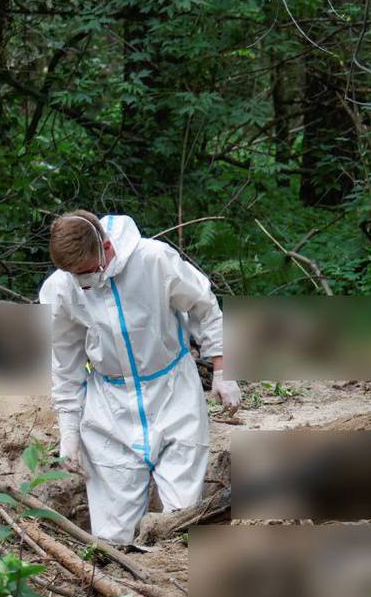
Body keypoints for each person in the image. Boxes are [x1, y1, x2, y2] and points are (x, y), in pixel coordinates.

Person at [40, 210, 239, 544]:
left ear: (106, 247)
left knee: (179, 521)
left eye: (88, 272)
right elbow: (64, 361)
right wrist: (69, 430)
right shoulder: (62, 289)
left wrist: (223, 370)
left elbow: (204, 305)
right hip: (109, 407)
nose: (83, 282)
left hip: (174, 392)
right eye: (75, 275)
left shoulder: (155, 260)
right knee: (111, 536)